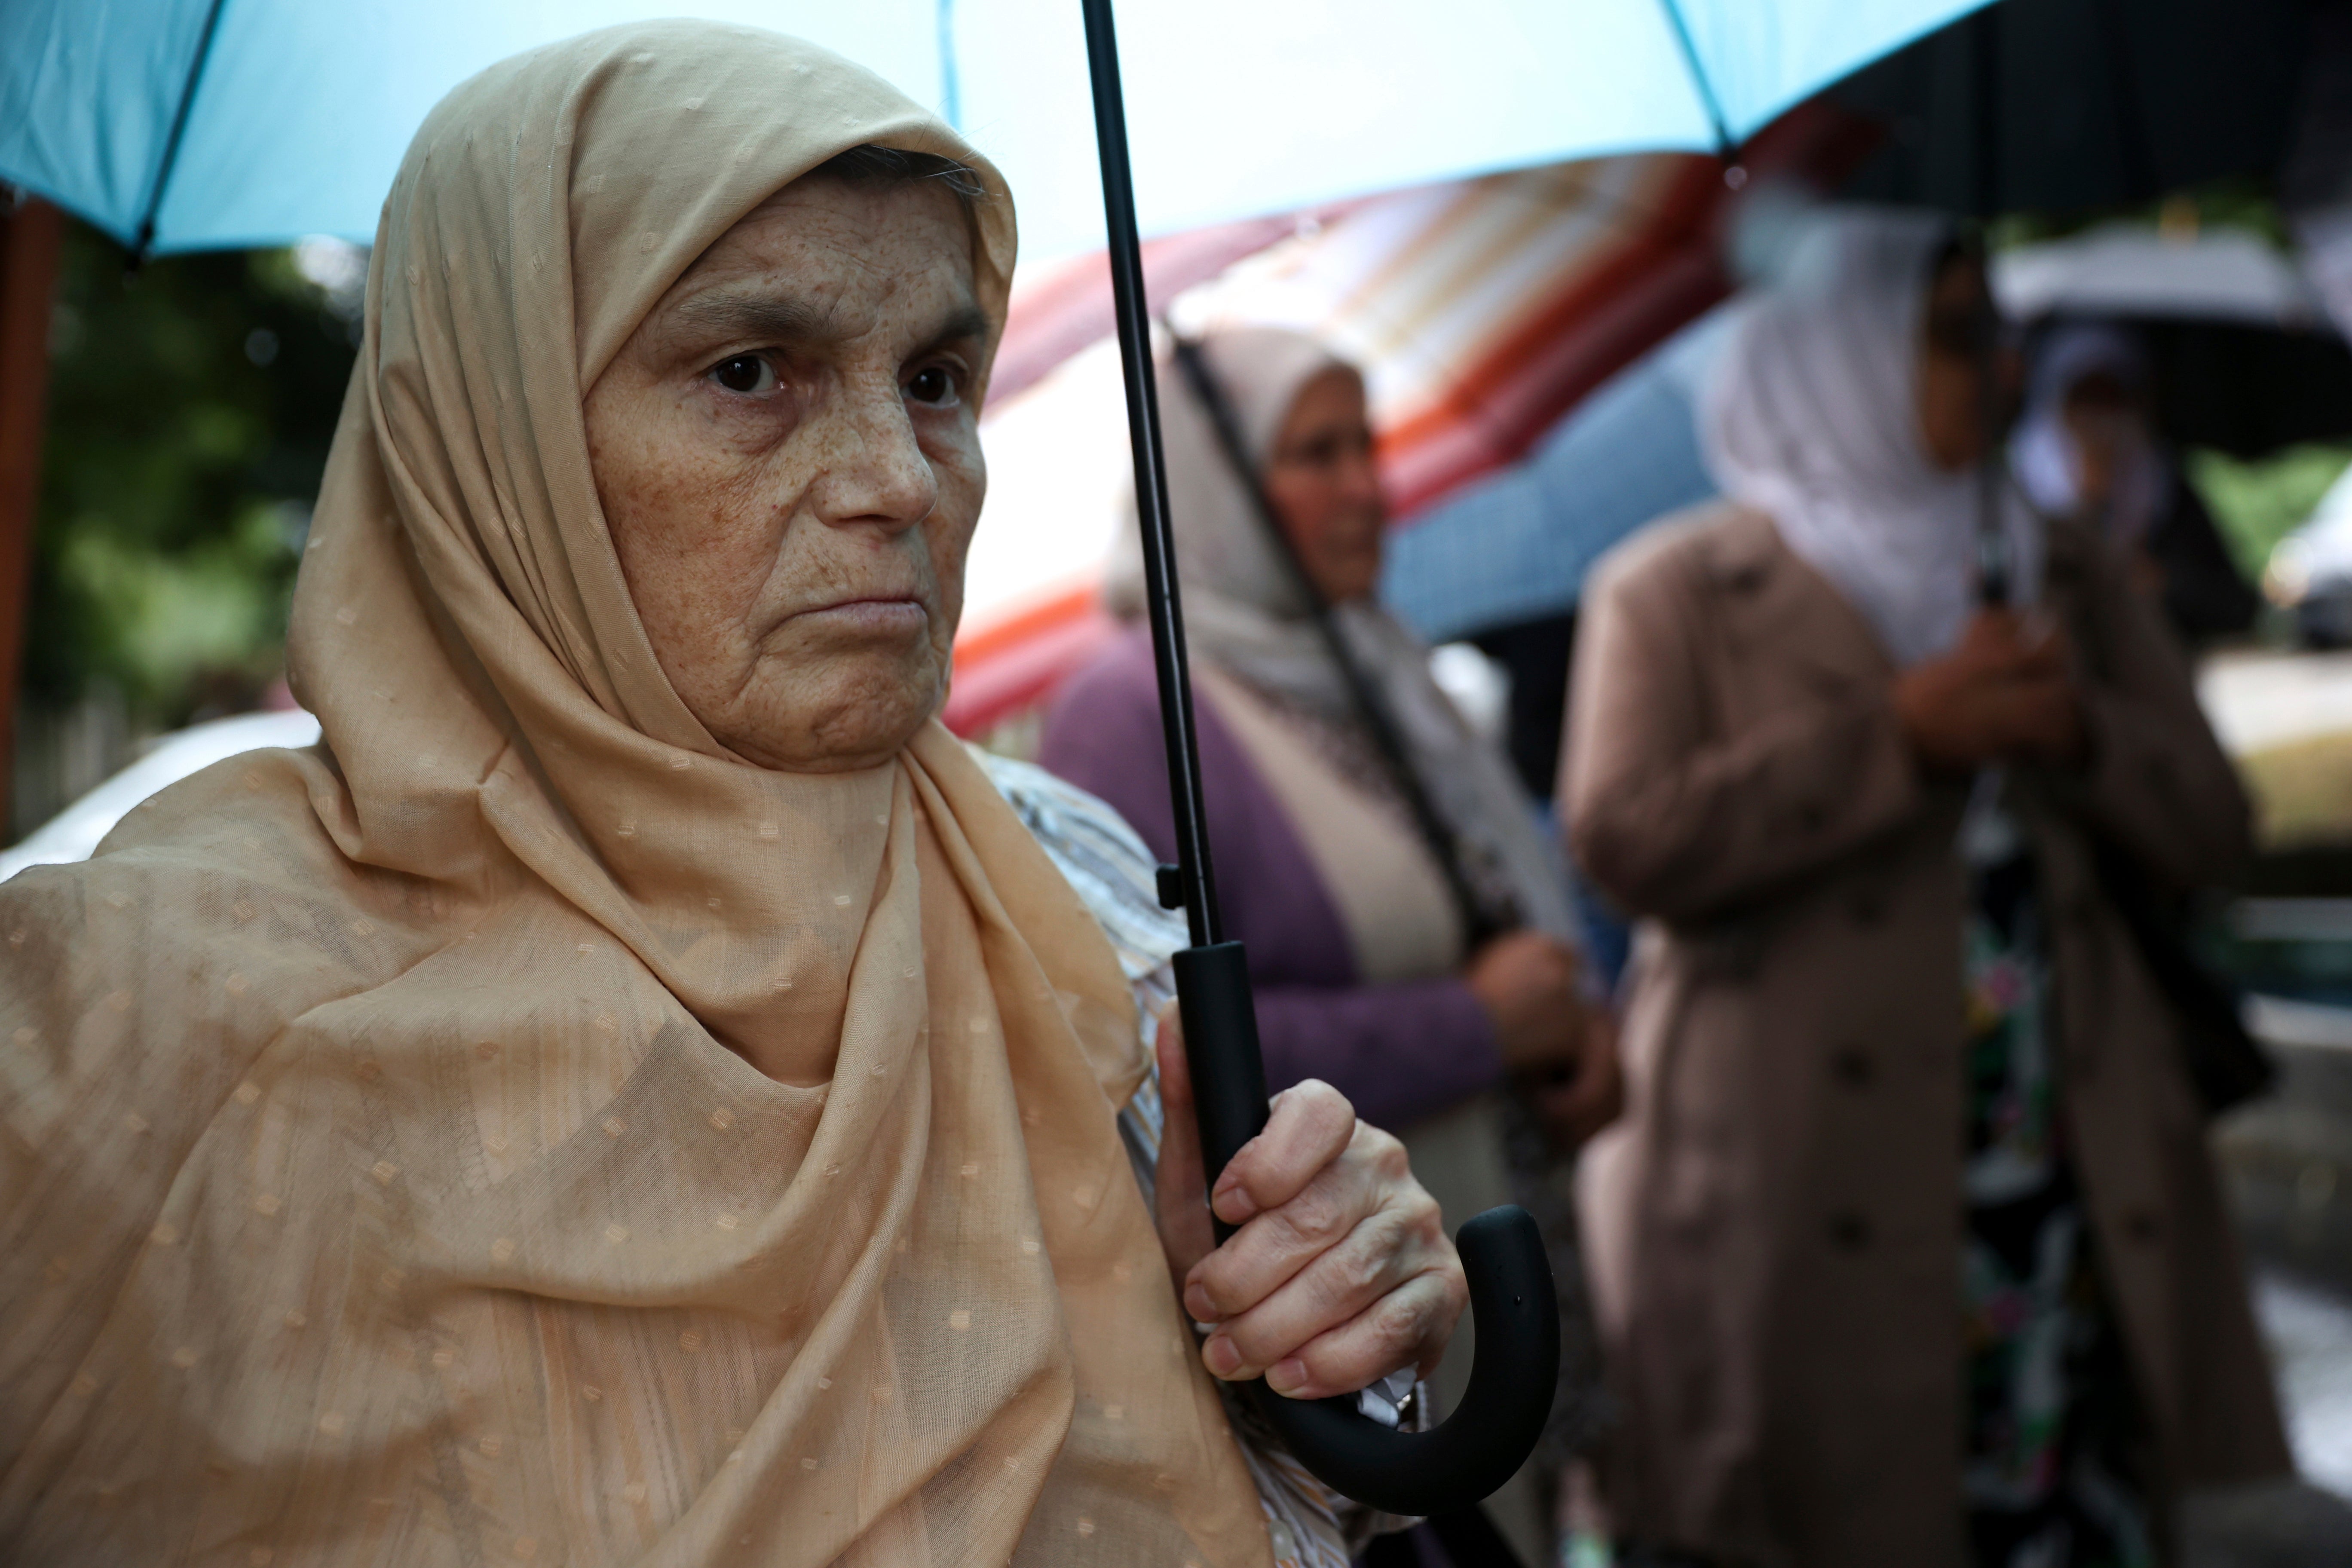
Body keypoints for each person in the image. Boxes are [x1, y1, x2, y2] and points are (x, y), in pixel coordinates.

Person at [0, 25, 1470, 1565]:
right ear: (501, 435)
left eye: (935, 380)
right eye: (750, 370)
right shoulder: (121, 1023)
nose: (898, 479)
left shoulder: (1063, 893)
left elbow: (1295, 1484)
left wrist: (1319, 1331)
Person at [1563, 211, 2294, 1567]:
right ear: (1839, 355)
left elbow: (2213, 825)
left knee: (2052, 1494)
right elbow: (1623, 840)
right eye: (1957, 337)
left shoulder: (2057, 562)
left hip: (2051, 1151)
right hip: (1794, 1170)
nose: (2003, 370)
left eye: (2000, 333)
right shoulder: (1675, 589)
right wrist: (1897, 737)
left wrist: (2079, 732)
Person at [1038, 328, 1618, 1565]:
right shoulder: (1131, 711)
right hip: (1344, 1303)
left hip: (1491, 1232)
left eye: (1368, 445)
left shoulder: (1371, 661)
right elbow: (1153, 1042)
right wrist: (1476, 1026)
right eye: (1316, 453)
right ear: (1212, 485)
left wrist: (1567, 1030)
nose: (1368, 486)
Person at [2011, 319, 2260, 645]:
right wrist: (2090, 500)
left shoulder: (2164, 491)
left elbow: (2236, 604)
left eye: (2111, 400)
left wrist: (2165, 582)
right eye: (2086, 400)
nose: (2100, 421)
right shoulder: (2017, 490)